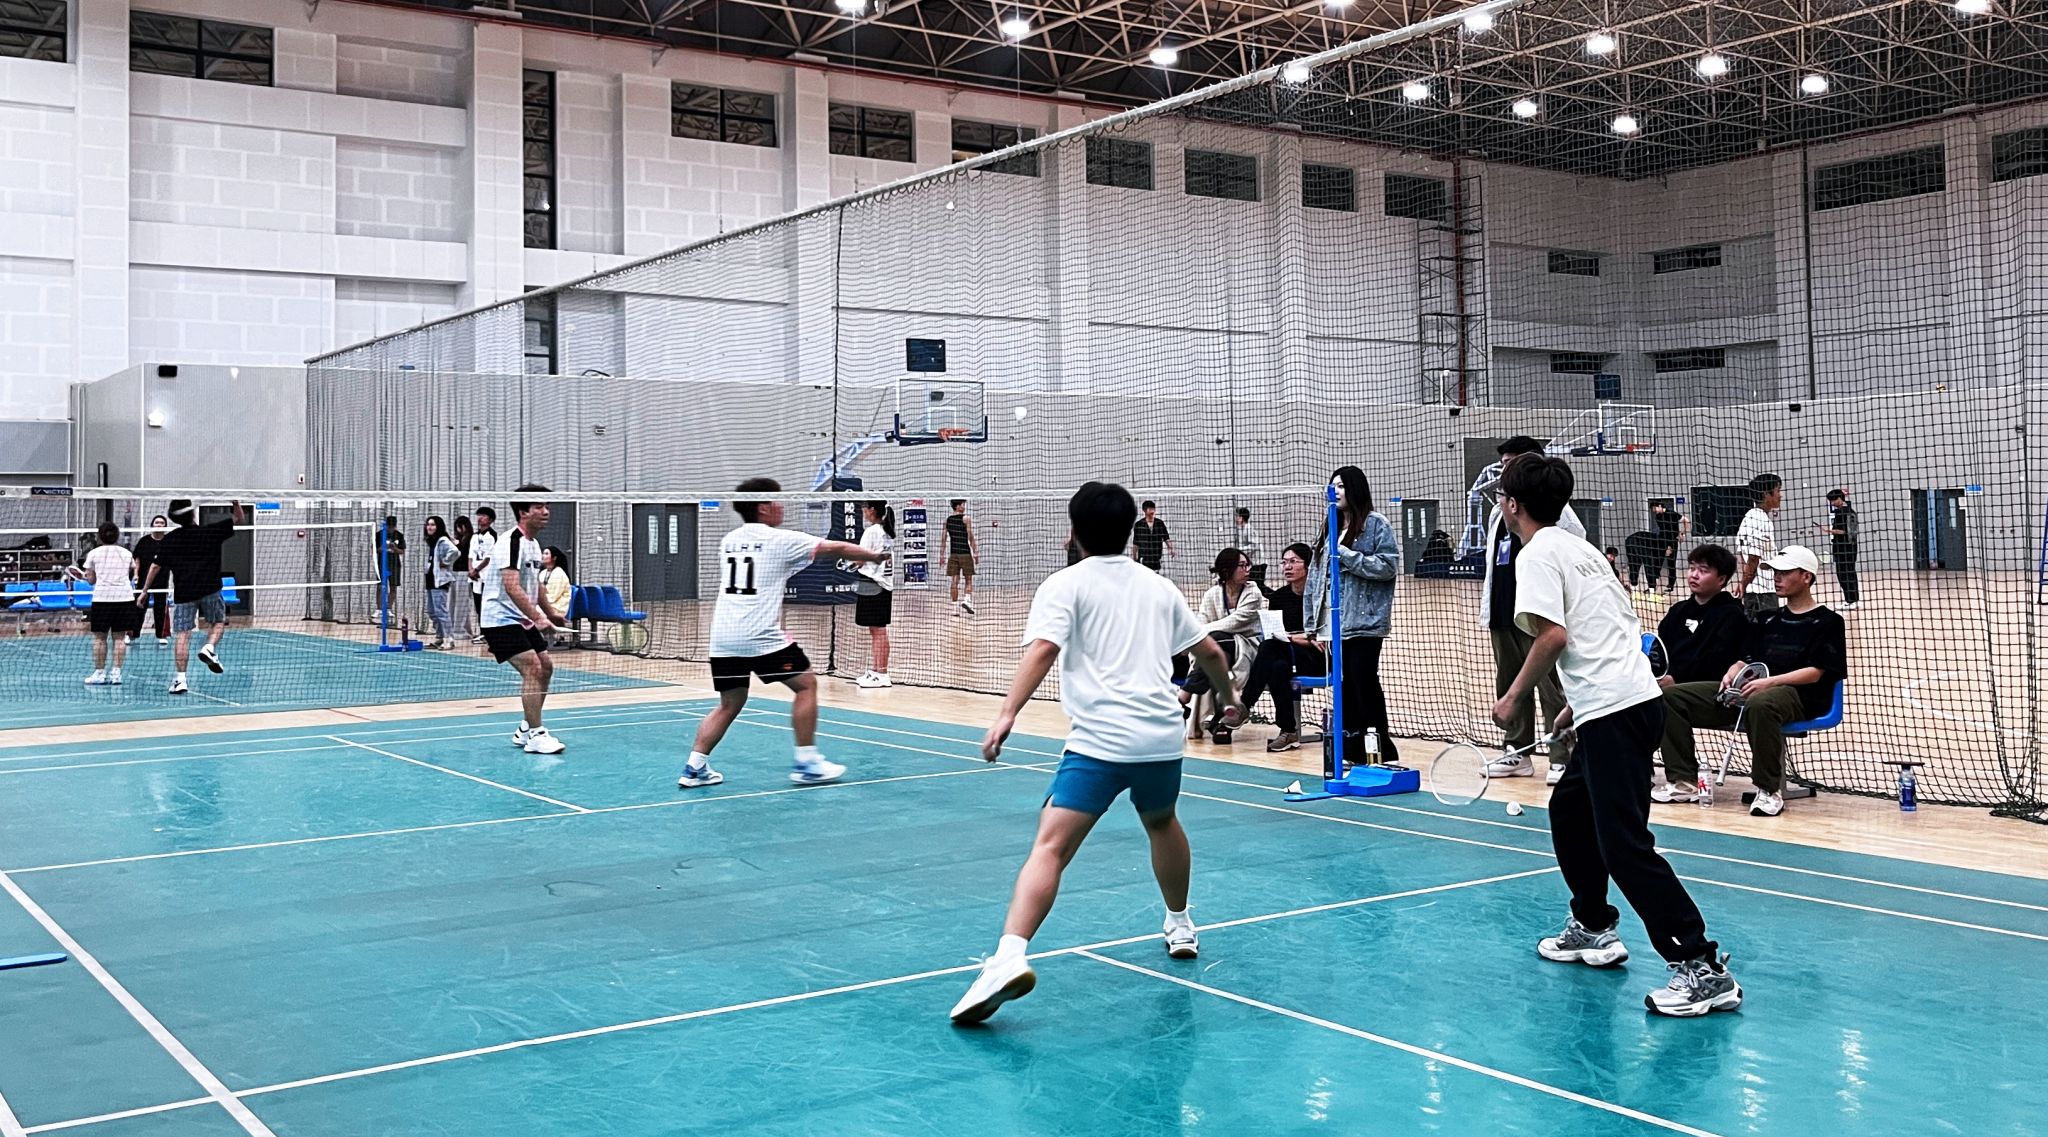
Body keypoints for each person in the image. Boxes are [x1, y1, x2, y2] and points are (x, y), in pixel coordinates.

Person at [950, 481, 1244, 1025]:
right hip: (1160, 737)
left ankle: (1008, 957)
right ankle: (1180, 924)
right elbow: (1209, 651)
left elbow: (1044, 649)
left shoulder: (1064, 584)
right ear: (1131, 530)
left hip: (1100, 741)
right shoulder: (1159, 586)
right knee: (1162, 821)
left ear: (1074, 532)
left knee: (1050, 847)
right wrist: (1229, 699)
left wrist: (1007, 713)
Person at [1490, 453, 1741, 1018]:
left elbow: (1553, 637)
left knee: (1623, 845)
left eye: (1502, 497)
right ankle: (1594, 924)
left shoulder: (1536, 554)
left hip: (1617, 711)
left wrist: (1514, 697)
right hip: (1630, 702)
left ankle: (1701, 967)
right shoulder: (1582, 551)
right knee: (1569, 810)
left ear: (1513, 505)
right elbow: (1614, 629)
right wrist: (1576, 705)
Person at [677, 478, 884, 790]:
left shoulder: (729, 540)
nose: (781, 506)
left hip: (723, 637)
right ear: (763, 507)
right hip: (759, 635)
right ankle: (808, 763)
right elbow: (837, 548)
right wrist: (875, 557)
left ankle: (694, 767)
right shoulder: (781, 539)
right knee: (806, 685)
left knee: (729, 703)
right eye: (777, 500)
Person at [1656, 545, 1847, 817]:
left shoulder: (1828, 621)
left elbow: (1815, 672)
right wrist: (1733, 671)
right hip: (1750, 690)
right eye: (1775, 573)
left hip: (1798, 695)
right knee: (1671, 698)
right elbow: (1745, 658)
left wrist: (1769, 683)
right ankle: (1683, 781)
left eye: (1785, 573)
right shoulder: (1766, 619)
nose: (1777, 578)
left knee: (1761, 703)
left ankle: (1768, 791)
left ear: (1806, 577)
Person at [1478, 436, 1584, 784]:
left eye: (1513, 462)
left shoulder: (1561, 516)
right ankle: (1516, 751)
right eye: (1503, 463)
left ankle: (1561, 756)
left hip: (1541, 613)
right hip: (1503, 610)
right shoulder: (1498, 512)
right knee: (1509, 682)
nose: (1505, 470)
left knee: (1551, 685)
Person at [1303, 466, 1400, 766]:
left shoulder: (1376, 524)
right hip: (1332, 624)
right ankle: (1352, 749)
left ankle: (1380, 750)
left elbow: (1387, 567)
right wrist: (1312, 623)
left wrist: (1345, 555)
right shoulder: (1328, 527)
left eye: (1342, 486)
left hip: (1364, 623)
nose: (1336, 491)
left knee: (1363, 681)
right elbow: (1315, 577)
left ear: (1355, 489)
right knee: (1344, 685)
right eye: (1333, 486)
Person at [480, 487, 567, 755]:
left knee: (546, 666)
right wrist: (537, 617)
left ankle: (527, 727)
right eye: (539, 507)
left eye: (547, 506)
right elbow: (511, 586)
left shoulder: (534, 544)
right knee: (533, 667)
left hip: (519, 618)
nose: (546, 512)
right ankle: (537, 735)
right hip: (499, 619)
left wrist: (550, 613)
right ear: (523, 512)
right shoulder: (510, 541)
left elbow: (534, 585)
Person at [139, 499, 242, 696]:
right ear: (192, 514)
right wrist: (235, 502)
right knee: (218, 622)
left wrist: (144, 590)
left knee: (183, 635)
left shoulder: (170, 539)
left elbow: (155, 567)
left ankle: (180, 680)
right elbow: (238, 518)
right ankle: (209, 647)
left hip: (184, 592)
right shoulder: (211, 532)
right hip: (210, 589)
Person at [1239, 542, 1325, 753]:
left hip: (1316, 659)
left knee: (1270, 646)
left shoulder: (1320, 596)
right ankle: (1288, 731)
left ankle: (1245, 704)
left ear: (1308, 566)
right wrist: (1303, 637)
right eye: (1284, 562)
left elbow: (1321, 639)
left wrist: (1293, 638)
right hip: (1286, 655)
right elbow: (1278, 633)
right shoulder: (1278, 597)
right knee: (1277, 667)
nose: (1287, 567)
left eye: (1293, 562)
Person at [1180, 547, 1264, 744]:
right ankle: (1219, 721)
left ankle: (1183, 696)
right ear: (1227, 570)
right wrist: (1201, 634)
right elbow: (1202, 621)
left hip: (1247, 648)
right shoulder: (1212, 594)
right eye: (1242, 565)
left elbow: (1233, 623)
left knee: (1216, 638)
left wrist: (1199, 634)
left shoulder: (1253, 593)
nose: (1247, 569)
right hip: (1219, 653)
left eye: (1248, 565)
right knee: (1218, 650)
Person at [1650, 544, 1749, 693]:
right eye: (1692, 568)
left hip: (1703, 687)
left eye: (1703, 571)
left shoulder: (1732, 616)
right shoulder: (1678, 610)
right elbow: (1660, 648)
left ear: (1721, 579)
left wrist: (1676, 678)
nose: (1694, 575)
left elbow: (1717, 661)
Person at [75, 522, 138, 685]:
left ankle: (100, 673)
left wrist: (87, 577)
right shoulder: (126, 553)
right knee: (120, 638)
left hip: (103, 599)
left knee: (99, 638)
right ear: (117, 536)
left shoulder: (93, 554)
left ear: (99, 537)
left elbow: (91, 580)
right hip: (124, 599)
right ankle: (116, 674)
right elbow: (130, 572)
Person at [854, 501, 896, 689]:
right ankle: (878, 670)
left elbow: (860, 559)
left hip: (873, 584)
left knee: (878, 631)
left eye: (864, 507)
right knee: (876, 630)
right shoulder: (885, 531)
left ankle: (882, 674)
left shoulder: (871, 531)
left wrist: (847, 560)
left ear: (872, 510)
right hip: (882, 584)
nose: (863, 511)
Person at [1733, 473, 1783, 619]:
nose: (1780, 495)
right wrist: (1744, 583)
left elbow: (1742, 555)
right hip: (1762, 594)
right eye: (1778, 490)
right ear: (1766, 494)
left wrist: (1744, 583)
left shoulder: (1751, 517)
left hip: (1756, 591)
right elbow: (1753, 558)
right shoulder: (1759, 520)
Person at [130, 514, 170, 647]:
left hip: (162, 580)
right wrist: (136, 574)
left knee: (160, 608)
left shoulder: (168, 542)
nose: (159, 525)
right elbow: (137, 559)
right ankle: (132, 634)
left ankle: (161, 635)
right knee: (138, 607)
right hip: (143, 581)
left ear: (165, 526)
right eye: (157, 522)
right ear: (152, 525)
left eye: (162, 523)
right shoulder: (144, 541)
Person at [1817, 488, 1860, 610]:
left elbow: (1843, 531)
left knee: (1844, 574)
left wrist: (1828, 530)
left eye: (1833, 500)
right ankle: (1853, 600)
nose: (1832, 503)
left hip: (1843, 548)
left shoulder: (1841, 513)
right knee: (1850, 572)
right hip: (1851, 547)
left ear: (1840, 498)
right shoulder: (1851, 511)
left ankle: (1850, 601)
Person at [423, 515, 459, 650]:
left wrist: (446, 561)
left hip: (440, 580)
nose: (429, 527)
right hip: (430, 579)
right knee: (432, 611)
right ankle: (439, 637)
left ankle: (449, 639)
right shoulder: (432, 541)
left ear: (438, 527)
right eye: (428, 524)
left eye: (432, 525)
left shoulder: (442, 540)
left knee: (441, 611)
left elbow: (455, 551)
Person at [467, 506, 498, 645]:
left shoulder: (492, 536)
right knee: (478, 605)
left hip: (486, 576)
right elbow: (470, 555)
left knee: (487, 606)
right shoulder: (474, 536)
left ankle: (489, 633)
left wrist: (477, 569)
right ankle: (482, 632)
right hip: (475, 578)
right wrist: (471, 570)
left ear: (490, 520)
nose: (480, 518)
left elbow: (489, 557)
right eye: (479, 515)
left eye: (483, 516)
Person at [944, 499, 979, 615]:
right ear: (958, 506)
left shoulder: (947, 520)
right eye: (963, 505)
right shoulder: (966, 519)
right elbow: (970, 536)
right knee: (968, 579)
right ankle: (967, 600)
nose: (964, 507)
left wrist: (941, 555)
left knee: (954, 580)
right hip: (965, 553)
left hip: (953, 554)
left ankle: (954, 608)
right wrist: (975, 552)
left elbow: (943, 539)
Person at [448, 514, 475, 642]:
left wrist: (457, 545)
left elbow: (466, 555)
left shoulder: (471, 539)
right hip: (454, 572)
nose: (459, 530)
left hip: (465, 573)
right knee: (453, 602)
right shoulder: (458, 540)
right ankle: (459, 629)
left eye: (461, 527)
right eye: (457, 527)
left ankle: (460, 630)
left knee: (462, 603)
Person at [377, 515, 407, 622]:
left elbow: (402, 551)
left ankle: (389, 608)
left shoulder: (399, 535)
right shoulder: (379, 534)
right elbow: (375, 549)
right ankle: (379, 609)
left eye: (392, 527)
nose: (390, 529)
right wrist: (385, 547)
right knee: (380, 586)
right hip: (382, 564)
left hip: (394, 564)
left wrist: (395, 548)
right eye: (389, 526)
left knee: (393, 587)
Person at [1130, 500, 1175, 571]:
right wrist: (1134, 557)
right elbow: (1135, 542)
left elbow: (1166, 537)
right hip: (1144, 558)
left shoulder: (1159, 523)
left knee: (1155, 574)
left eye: (1153, 508)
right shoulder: (1139, 524)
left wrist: (1171, 548)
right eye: (1150, 509)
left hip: (1156, 557)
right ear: (1144, 510)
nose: (1152, 511)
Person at [1231, 507, 1265, 585]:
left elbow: (1254, 546)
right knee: (1257, 585)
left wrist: (1238, 550)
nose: (1235, 519)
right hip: (1254, 564)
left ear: (1241, 518)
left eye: (1237, 516)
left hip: (1258, 564)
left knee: (1257, 586)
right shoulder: (1244, 529)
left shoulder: (1248, 529)